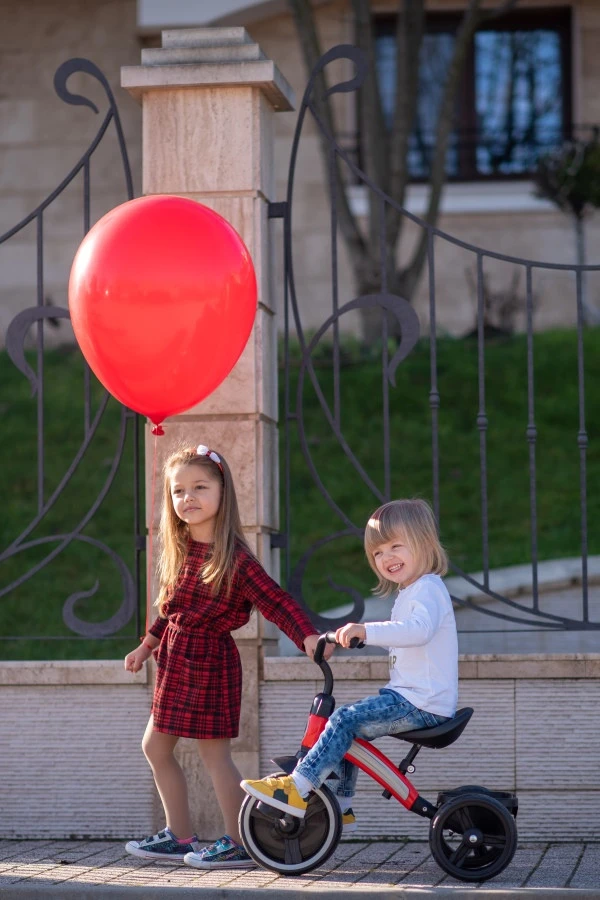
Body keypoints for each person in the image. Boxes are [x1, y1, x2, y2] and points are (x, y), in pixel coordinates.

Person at [123, 443, 325, 869]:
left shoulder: (234, 558)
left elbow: (275, 600)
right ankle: (179, 835)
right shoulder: (180, 548)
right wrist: (147, 645)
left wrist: (305, 635)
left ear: (222, 492)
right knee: (155, 747)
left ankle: (240, 841)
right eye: (179, 491)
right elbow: (172, 610)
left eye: (200, 487)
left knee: (214, 756)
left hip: (210, 663)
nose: (188, 498)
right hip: (175, 662)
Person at [241, 497, 458, 827]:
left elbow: (419, 630)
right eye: (378, 553)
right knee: (346, 726)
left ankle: (297, 787)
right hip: (412, 698)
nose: (386, 558)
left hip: (422, 703)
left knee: (344, 720)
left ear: (424, 542)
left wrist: (365, 631)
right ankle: (340, 804)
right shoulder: (411, 591)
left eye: (395, 546)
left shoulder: (428, 588)